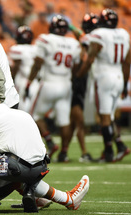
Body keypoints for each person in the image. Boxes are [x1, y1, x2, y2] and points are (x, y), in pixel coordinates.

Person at [0, 94, 90, 213]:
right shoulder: (23, 114)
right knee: (10, 165)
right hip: (40, 169)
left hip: (14, 168)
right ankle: (49, 196)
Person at [77, 9, 130, 162]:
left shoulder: (99, 34)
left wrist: (79, 75)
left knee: (104, 117)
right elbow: (127, 61)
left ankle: (108, 152)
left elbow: (90, 58)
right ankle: (119, 146)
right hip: (119, 75)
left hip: (104, 76)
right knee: (109, 116)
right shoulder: (124, 34)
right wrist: (125, 84)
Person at [27, 15, 81, 162]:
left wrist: (28, 82)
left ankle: (50, 141)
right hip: (66, 84)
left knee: (34, 116)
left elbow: (38, 63)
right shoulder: (73, 43)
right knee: (64, 120)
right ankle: (64, 153)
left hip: (49, 82)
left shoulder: (45, 39)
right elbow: (76, 66)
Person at [67, 13, 100, 162]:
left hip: (81, 81)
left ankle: (63, 151)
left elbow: (79, 34)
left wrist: (70, 25)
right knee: (78, 120)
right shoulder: (94, 38)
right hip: (81, 81)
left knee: (74, 122)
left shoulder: (88, 39)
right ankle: (84, 152)